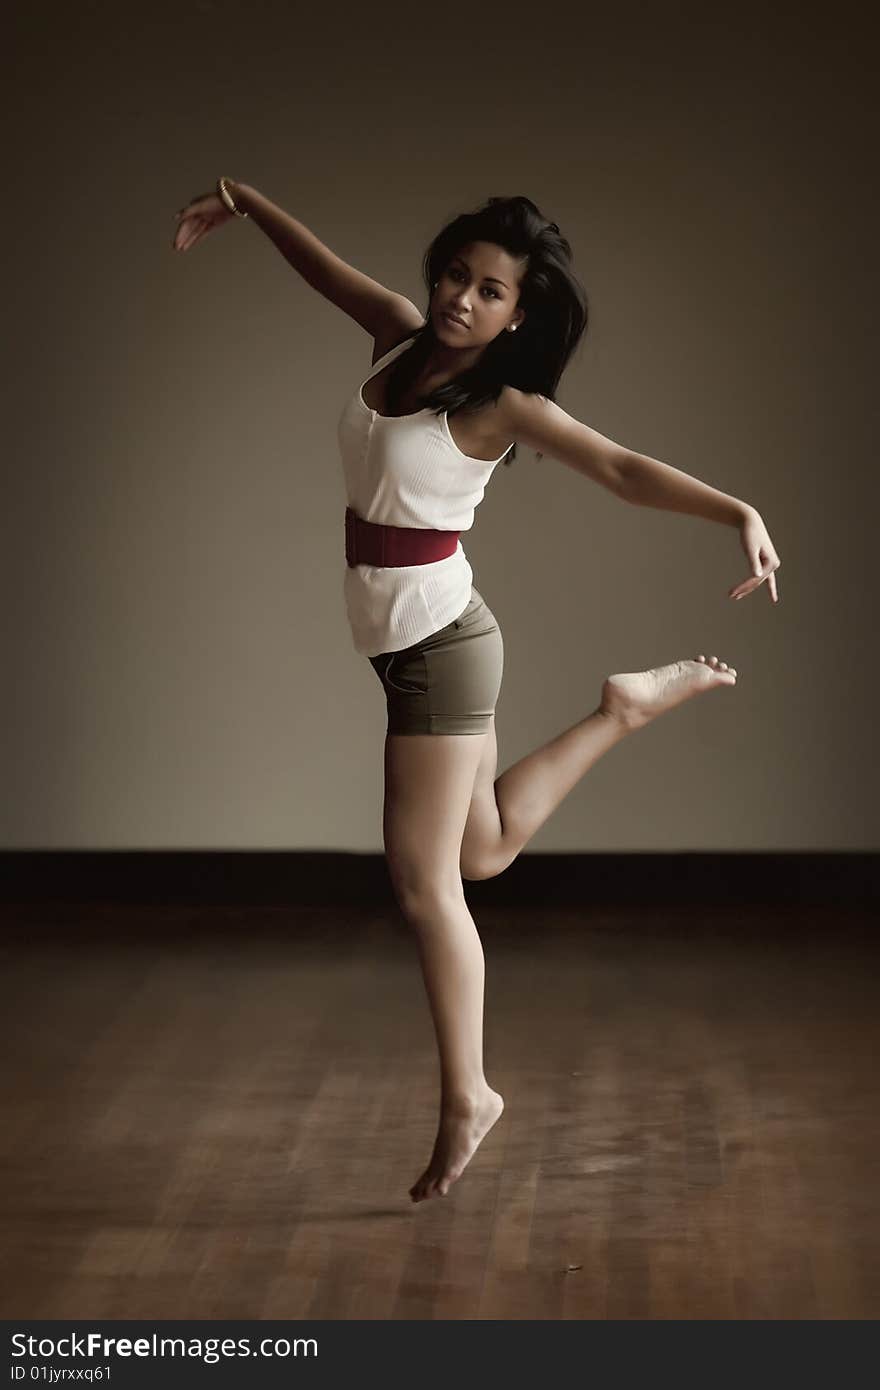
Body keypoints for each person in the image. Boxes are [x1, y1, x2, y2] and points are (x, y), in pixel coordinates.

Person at [172, 182, 781, 1204]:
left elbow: (623, 469)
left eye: (488, 290)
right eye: (454, 274)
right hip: (416, 634)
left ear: (518, 314)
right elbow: (325, 271)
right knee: (486, 846)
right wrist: (249, 204)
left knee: (425, 884)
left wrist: (740, 509)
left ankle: (469, 1095)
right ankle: (619, 710)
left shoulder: (504, 405)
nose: (460, 298)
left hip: (438, 645)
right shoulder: (400, 341)